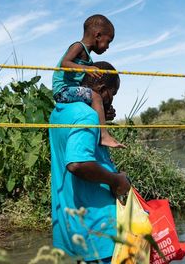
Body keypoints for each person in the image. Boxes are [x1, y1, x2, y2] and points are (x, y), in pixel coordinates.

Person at [49, 61, 130, 263]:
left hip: (74, 223)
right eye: (112, 93)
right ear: (102, 90)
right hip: (98, 226)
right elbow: (77, 163)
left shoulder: (58, 113)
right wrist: (116, 180)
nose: (112, 100)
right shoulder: (87, 115)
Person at [52, 14, 124, 149]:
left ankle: (102, 125)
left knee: (94, 98)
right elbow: (65, 63)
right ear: (98, 36)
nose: (108, 47)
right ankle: (104, 135)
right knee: (95, 96)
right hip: (62, 90)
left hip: (71, 90)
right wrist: (86, 68)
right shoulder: (78, 46)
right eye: (108, 41)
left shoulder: (88, 58)